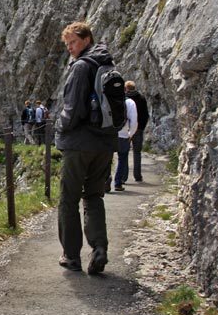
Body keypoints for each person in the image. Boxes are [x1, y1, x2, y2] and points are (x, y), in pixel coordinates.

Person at [55, 21, 118, 275]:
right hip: (104, 143)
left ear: (86, 40)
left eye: (73, 42)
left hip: (79, 145)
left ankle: (71, 256)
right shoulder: (107, 65)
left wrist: (59, 128)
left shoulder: (81, 67)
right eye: (67, 44)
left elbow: (72, 111)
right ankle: (99, 248)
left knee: (68, 199)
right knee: (93, 196)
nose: (70, 47)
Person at [113, 84, 138, 191]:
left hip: (109, 134)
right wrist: (130, 134)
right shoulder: (130, 102)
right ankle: (118, 183)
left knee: (106, 160)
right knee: (122, 159)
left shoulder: (109, 100)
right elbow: (134, 121)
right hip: (123, 135)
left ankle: (105, 182)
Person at [126, 81, 149, 182]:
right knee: (137, 153)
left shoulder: (124, 99)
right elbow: (145, 114)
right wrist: (141, 127)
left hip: (126, 129)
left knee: (124, 153)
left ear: (126, 88)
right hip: (138, 128)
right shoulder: (141, 98)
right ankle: (137, 176)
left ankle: (123, 177)